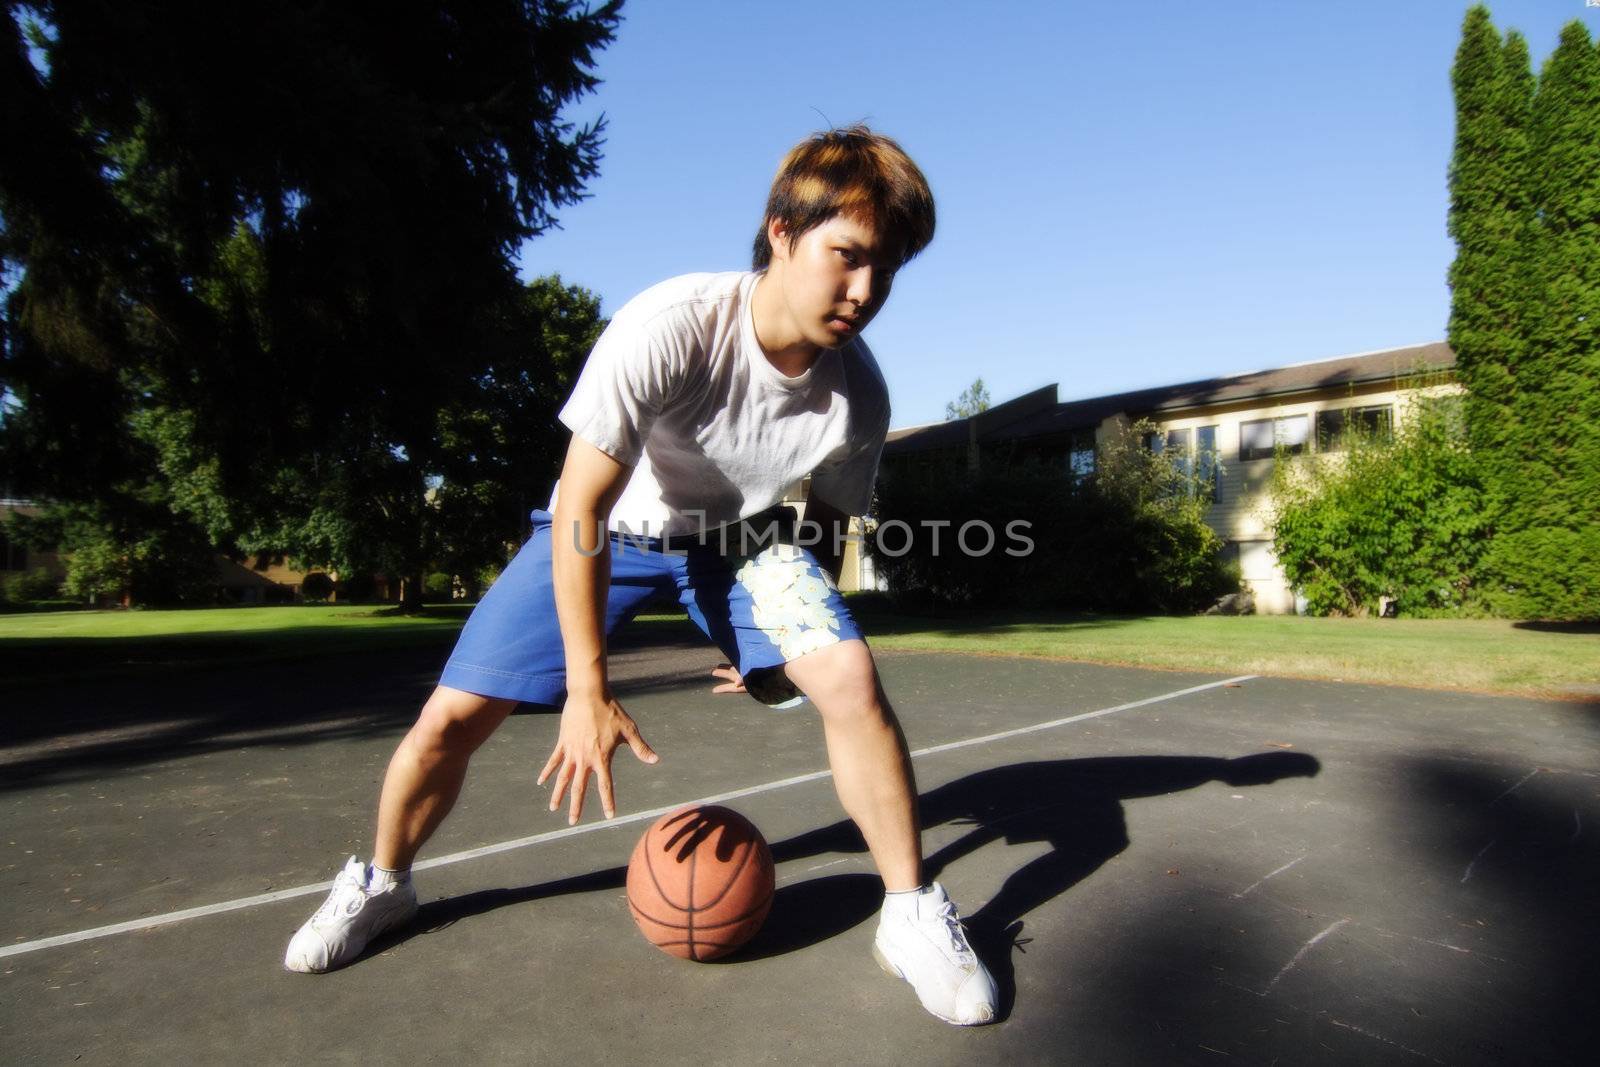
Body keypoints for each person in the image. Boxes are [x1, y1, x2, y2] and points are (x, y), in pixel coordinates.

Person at [283, 126, 998, 1026]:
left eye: (885, 272)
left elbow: (820, 523)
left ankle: (908, 913)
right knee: (450, 717)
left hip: (741, 542)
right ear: (781, 231)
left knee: (850, 674)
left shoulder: (861, 393)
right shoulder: (672, 323)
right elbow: (580, 503)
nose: (864, 293)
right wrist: (588, 688)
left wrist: (779, 638)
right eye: (847, 257)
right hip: (611, 530)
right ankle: (382, 881)